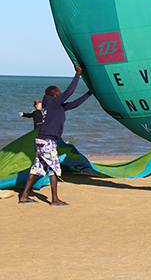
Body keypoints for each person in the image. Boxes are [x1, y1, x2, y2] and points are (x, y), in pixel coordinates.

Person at [19, 62, 93, 206]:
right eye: (58, 92)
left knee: (36, 169)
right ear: (54, 94)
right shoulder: (53, 103)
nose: (60, 93)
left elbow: (74, 103)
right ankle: (54, 200)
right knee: (54, 168)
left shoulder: (54, 106)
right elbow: (69, 92)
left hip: (42, 140)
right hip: (47, 141)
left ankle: (24, 196)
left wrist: (89, 93)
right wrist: (78, 74)